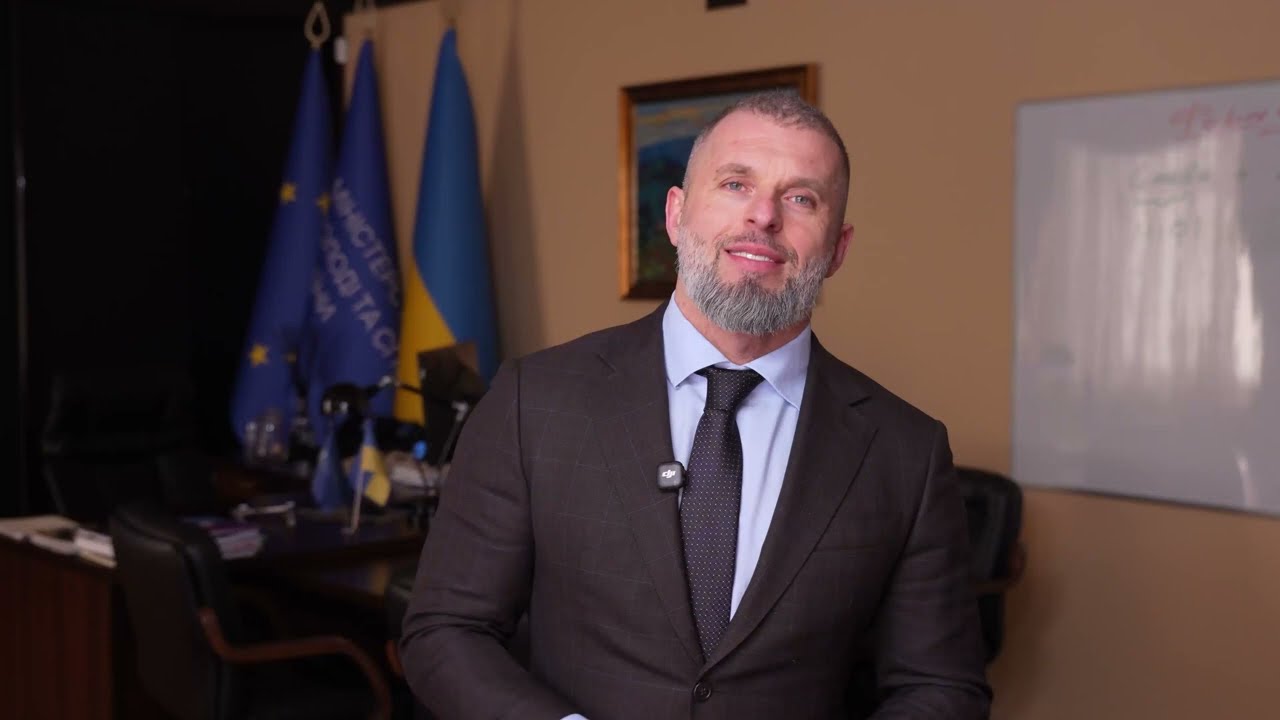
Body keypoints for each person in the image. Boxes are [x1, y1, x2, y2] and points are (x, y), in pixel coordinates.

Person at [400, 90, 992, 720]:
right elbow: (446, 630)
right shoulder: (535, 401)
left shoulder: (905, 452)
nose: (763, 216)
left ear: (838, 249)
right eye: (736, 184)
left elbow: (942, 689)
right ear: (677, 214)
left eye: (801, 199)